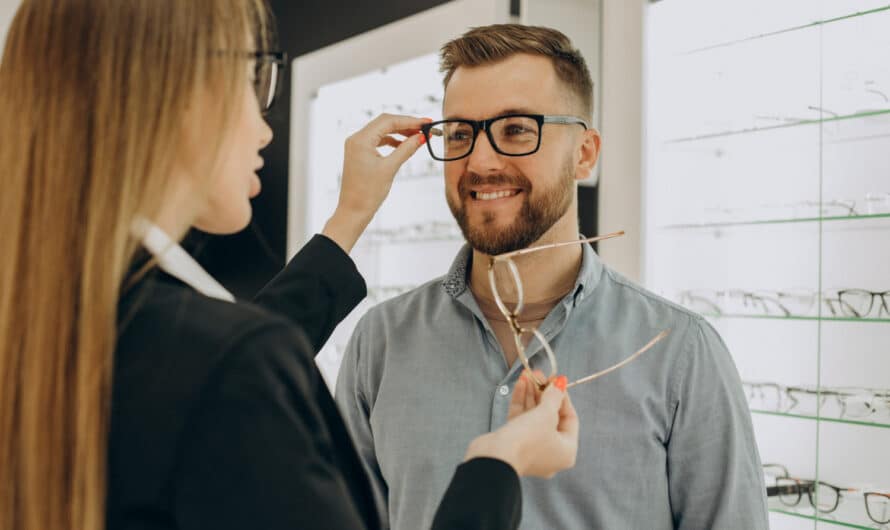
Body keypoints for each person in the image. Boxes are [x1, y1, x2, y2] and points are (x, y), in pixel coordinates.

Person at [0, 3, 580, 530]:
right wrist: (496, 466)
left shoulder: (58, 324)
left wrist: (350, 215)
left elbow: (201, 370)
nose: (263, 127)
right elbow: (222, 369)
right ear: (178, 95)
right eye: (252, 79)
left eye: (515, 130)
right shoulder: (232, 361)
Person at [335, 24, 769, 530]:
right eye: (459, 134)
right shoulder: (380, 344)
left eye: (516, 129)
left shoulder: (681, 353)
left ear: (584, 153)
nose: (480, 161)